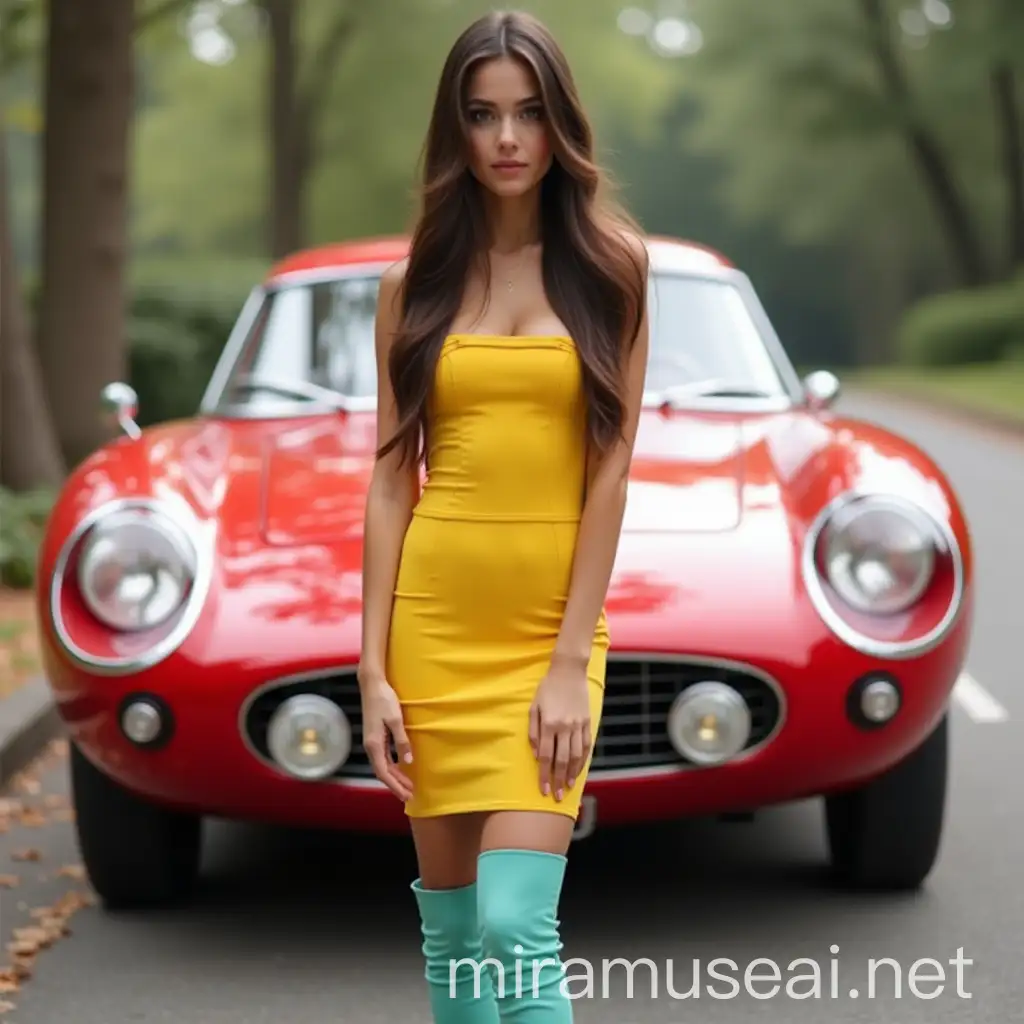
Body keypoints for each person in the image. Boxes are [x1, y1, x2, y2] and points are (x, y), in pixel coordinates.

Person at [357, 10, 649, 1022]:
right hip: (433, 630)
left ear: (558, 123)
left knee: (512, 928)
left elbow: (609, 471)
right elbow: (392, 478)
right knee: (453, 942)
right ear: (457, 132)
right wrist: (372, 668)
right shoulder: (412, 286)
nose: (509, 139)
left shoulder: (613, 269)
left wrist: (571, 656)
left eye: (528, 113)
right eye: (483, 116)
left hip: (547, 639)